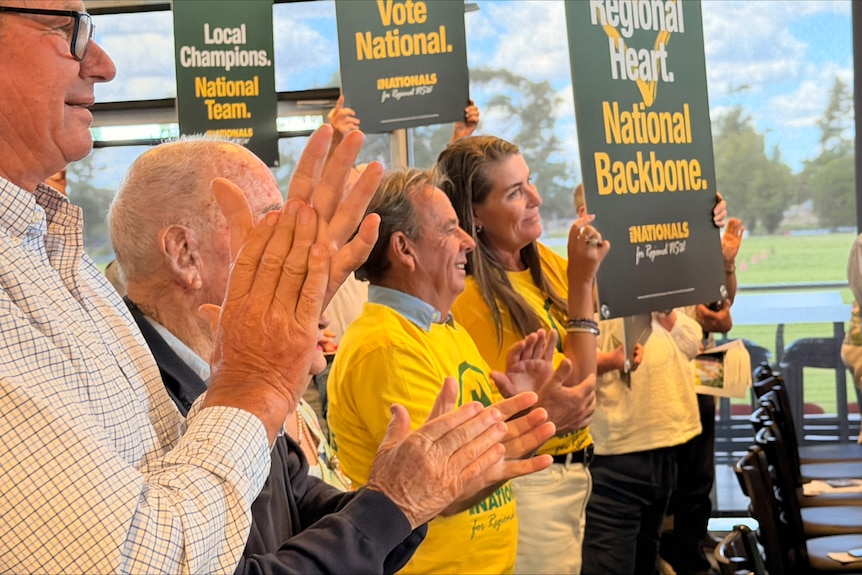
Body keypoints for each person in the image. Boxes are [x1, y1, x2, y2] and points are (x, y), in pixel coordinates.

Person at [0, 3, 549, 571]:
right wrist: (258, 384)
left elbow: (290, 501)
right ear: (185, 254)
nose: (104, 64)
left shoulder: (72, 279)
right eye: (271, 225)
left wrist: (404, 494)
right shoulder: (197, 368)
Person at [327, 167, 592, 574]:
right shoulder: (389, 346)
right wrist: (542, 418)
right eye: (450, 229)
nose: (468, 241)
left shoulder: (441, 329)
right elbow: (434, 487)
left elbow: (466, 448)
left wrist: (519, 404)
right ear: (404, 249)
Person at [437, 136, 604, 574]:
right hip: (530, 485)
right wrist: (583, 284)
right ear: (474, 214)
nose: (536, 198)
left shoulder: (547, 263)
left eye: (528, 183)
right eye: (515, 193)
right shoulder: (470, 301)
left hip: (574, 475)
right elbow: (581, 396)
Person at [660, 215, 745, 575]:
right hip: (660, 381)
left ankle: (690, 552)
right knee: (666, 480)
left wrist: (726, 263)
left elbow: (722, 313)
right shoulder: (648, 250)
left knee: (697, 479)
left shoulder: (697, 245)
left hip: (699, 377)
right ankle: (670, 553)